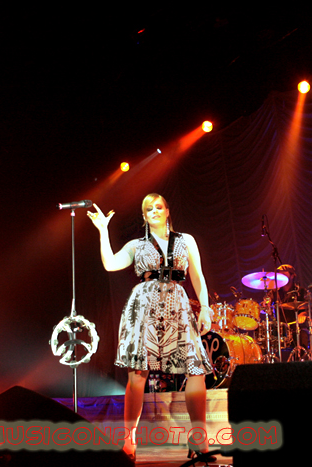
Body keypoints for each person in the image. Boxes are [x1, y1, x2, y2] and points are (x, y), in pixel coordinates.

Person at [88, 193, 214, 461]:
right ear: (144, 216)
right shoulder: (136, 245)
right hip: (144, 305)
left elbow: (197, 276)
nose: (154, 211)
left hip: (177, 304)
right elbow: (110, 264)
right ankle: (128, 440)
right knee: (138, 373)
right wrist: (103, 231)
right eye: (149, 209)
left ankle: (198, 438)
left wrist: (205, 307)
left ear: (167, 211)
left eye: (158, 207)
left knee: (195, 370)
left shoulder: (186, 240)